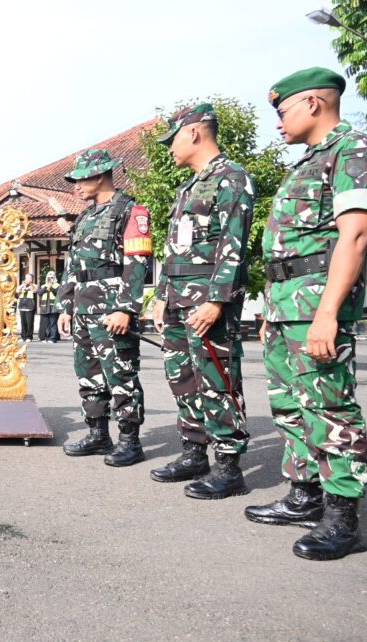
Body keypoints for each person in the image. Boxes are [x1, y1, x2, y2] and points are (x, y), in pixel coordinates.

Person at [244, 68, 367, 561]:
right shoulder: (307, 162)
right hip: (286, 305)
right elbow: (287, 247)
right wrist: (270, 308)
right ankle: (303, 496)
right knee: (290, 406)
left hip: (316, 305)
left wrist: (328, 313)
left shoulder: (355, 150)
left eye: (282, 111)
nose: (278, 122)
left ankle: (342, 518)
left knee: (329, 407)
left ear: (312, 103)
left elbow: (356, 236)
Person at [148, 104, 254, 499]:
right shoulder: (189, 187)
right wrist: (161, 296)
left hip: (207, 304)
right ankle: (194, 453)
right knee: (183, 378)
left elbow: (233, 245)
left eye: (172, 139)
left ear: (193, 132)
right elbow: (174, 249)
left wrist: (217, 301)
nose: (169, 148)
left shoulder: (232, 178)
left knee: (217, 379)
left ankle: (228, 466)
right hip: (178, 301)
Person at [55, 149, 152, 467]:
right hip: (83, 308)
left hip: (111, 309)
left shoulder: (129, 210)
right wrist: (66, 306)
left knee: (120, 374)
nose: (76, 187)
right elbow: (73, 266)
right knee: (89, 375)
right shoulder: (85, 217)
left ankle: (130, 441)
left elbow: (137, 262)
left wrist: (126, 308)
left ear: (99, 177)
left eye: (80, 180)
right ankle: (98, 434)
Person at [37, 271, 61, 343]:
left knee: (53, 323)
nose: (50, 278)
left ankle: (53, 338)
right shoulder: (43, 286)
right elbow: (39, 293)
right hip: (45, 307)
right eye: (49, 277)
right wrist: (46, 287)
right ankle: (47, 337)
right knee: (46, 324)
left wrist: (51, 287)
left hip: (53, 307)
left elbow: (57, 294)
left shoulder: (57, 285)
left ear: (54, 278)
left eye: (52, 277)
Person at [16, 273, 38, 342]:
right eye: (26, 278)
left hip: (30, 305)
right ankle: (23, 336)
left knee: (29, 322)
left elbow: (34, 290)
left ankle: (29, 336)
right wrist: (22, 285)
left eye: (29, 278)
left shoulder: (35, 285)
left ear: (32, 279)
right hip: (22, 305)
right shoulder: (23, 286)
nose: (27, 279)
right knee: (23, 322)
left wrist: (30, 285)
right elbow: (17, 291)